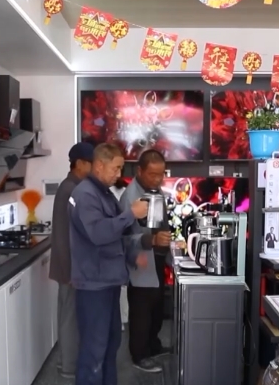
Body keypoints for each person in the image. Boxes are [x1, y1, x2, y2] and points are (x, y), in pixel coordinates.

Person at [70, 143, 150, 385]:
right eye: (115, 168)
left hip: (107, 281)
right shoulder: (85, 195)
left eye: (121, 168)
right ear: (99, 166)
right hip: (93, 284)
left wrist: (131, 256)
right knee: (94, 350)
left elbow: (115, 234)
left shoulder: (103, 193)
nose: (119, 174)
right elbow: (99, 233)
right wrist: (131, 213)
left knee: (110, 343)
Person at [119, 150, 172, 372]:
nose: (158, 179)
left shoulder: (154, 191)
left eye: (161, 174)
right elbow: (121, 237)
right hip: (140, 261)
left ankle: (153, 345)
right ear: (139, 171)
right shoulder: (130, 198)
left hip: (156, 259)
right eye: (153, 174)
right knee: (141, 310)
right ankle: (139, 355)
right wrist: (151, 240)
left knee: (156, 307)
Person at [49, 142, 93, 379]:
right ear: (80, 164)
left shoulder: (73, 187)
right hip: (70, 268)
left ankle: (65, 362)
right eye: (92, 163)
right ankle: (69, 367)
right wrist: (71, 271)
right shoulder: (71, 189)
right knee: (70, 318)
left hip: (70, 266)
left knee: (69, 315)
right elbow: (65, 235)